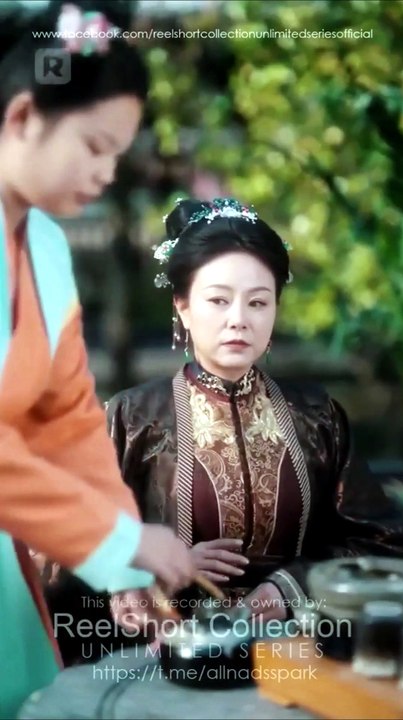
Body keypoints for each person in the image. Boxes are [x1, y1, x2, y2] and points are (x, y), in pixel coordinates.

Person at [0, 4, 195, 718]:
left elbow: (68, 421)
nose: (107, 173)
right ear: (24, 116)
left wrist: (123, 558)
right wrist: (114, 539)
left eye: (118, 154)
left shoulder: (46, 246)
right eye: (93, 146)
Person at [106, 196, 403, 632]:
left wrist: (293, 586)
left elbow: (380, 540)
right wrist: (156, 571)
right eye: (218, 300)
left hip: (299, 645)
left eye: (258, 303)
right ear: (182, 306)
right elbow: (68, 540)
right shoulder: (134, 418)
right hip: (172, 646)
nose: (239, 320)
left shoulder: (316, 416)